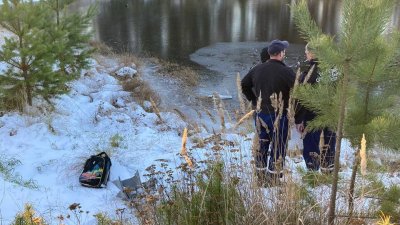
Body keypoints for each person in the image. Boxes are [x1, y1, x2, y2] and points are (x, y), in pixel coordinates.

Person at [241, 40, 295, 185]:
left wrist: (254, 100)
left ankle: (260, 177)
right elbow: (299, 92)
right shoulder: (287, 72)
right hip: (279, 115)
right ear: (280, 54)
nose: (285, 53)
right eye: (284, 51)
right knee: (278, 146)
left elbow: (244, 84)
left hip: (260, 114)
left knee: (262, 144)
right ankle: (274, 180)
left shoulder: (257, 69)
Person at [295, 43, 336, 173]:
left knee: (311, 142)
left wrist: (299, 119)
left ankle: (312, 171)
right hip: (331, 111)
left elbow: (301, 97)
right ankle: (328, 169)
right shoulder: (334, 70)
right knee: (330, 141)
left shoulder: (309, 72)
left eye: (306, 53)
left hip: (312, 113)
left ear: (312, 53)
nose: (306, 55)